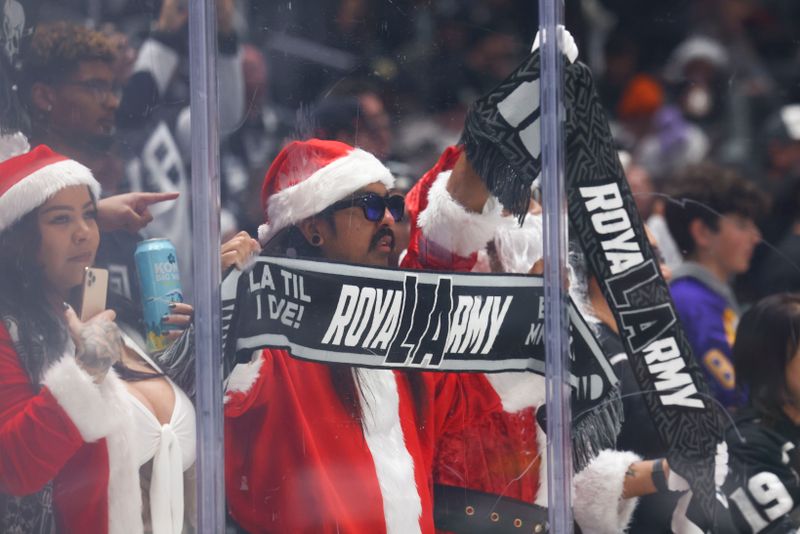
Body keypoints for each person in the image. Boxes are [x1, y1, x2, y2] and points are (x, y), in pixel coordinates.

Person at [0, 144, 142, 533]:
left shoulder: (95, 306)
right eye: (61, 220)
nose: (83, 233)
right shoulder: (6, 328)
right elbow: (14, 467)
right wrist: (86, 371)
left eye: (89, 216)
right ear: (19, 241)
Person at [664, 162, 766, 410]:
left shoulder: (707, 294)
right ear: (702, 232)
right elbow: (733, 394)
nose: (756, 237)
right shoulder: (692, 301)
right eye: (742, 224)